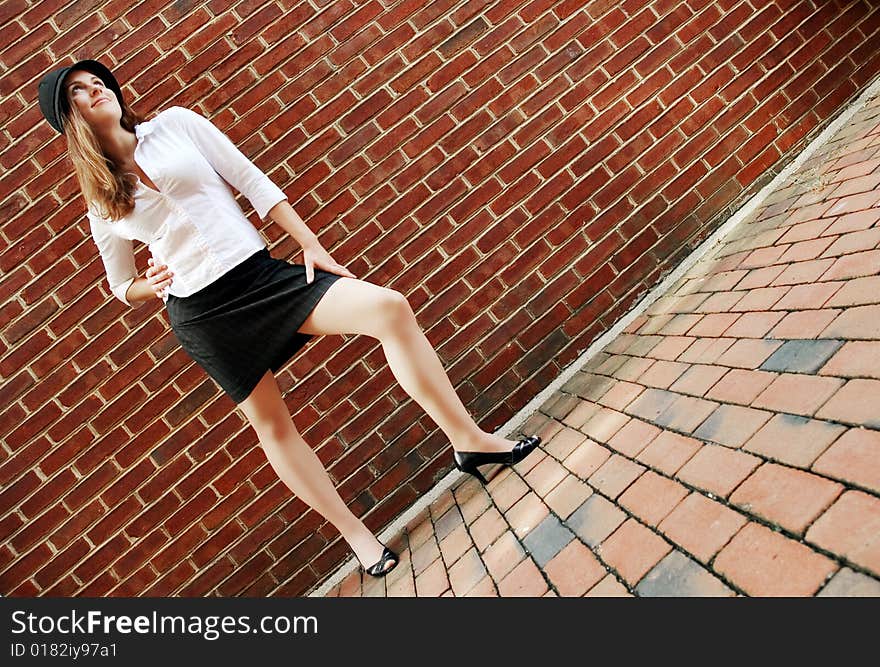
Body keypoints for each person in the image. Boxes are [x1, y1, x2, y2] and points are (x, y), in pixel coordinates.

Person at [37, 58, 541, 583]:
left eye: (98, 81)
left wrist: (309, 241)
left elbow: (250, 180)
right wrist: (152, 282)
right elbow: (121, 286)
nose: (95, 89)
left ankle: (470, 440)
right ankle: (357, 536)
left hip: (260, 277)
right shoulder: (100, 200)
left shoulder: (176, 125)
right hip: (205, 315)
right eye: (78, 91)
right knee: (274, 426)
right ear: (67, 118)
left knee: (388, 308)